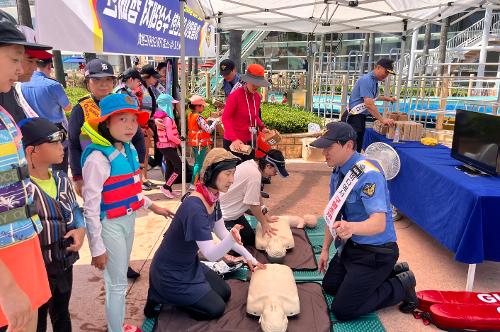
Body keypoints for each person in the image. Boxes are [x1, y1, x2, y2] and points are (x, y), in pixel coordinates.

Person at [81, 93, 174, 332]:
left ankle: (118, 324)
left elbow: (130, 190)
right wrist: (96, 248)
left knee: (119, 278)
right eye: (122, 119)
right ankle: (115, 329)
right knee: (117, 284)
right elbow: (90, 208)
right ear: (106, 123)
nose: (130, 125)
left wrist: (154, 207)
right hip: (110, 225)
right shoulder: (97, 158)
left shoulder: (129, 150)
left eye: (133, 119)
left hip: (128, 220)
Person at [311, 122, 417, 321]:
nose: (324, 152)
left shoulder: (369, 175)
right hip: (352, 247)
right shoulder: (338, 170)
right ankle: (393, 272)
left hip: (376, 253)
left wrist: (350, 227)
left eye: (329, 147)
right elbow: (332, 213)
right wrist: (325, 249)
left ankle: (401, 284)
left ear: (349, 145)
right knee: (330, 286)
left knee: (343, 310)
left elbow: (379, 224)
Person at [145, 148, 266, 320]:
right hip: (169, 273)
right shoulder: (195, 206)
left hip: (189, 264)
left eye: (233, 174)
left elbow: (222, 231)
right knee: (215, 309)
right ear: (211, 173)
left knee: (224, 292)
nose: (232, 180)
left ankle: (181, 294)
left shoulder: (212, 197)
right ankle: (159, 295)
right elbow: (210, 254)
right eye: (227, 174)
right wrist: (232, 238)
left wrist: (250, 258)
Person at [0, 17, 52, 332]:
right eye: (14, 59)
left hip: (21, 243)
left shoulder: (4, 113)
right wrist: (5, 286)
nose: (21, 69)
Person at [19, 118, 86, 332]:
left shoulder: (61, 179)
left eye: (62, 142)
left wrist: (81, 229)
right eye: (55, 142)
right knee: (36, 322)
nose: (62, 148)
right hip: (34, 271)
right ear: (32, 151)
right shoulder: (19, 190)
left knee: (62, 314)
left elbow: (75, 209)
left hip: (63, 264)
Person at [68, 59, 146, 197]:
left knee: (121, 206)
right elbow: (73, 144)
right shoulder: (81, 109)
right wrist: (77, 176)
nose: (103, 84)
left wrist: (138, 166)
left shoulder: (122, 104)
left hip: (120, 169)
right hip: (94, 172)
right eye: (97, 80)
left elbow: (138, 137)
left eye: (108, 79)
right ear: (87, 82)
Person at [220, 149, 288, 245]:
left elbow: (256, 193)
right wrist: (264, 223)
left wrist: (265, 214)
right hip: (224, 216)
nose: (275, 174)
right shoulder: (254, 175)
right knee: (237, 248)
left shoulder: (252, 164)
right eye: (275, 171)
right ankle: (216, 233)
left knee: (250, 240)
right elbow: (253, 205)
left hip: (235, 214)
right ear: (268, 166)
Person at [21, 58, 72, 173]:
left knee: (36, 164)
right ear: (49, 66)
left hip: (32, 130)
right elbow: (68, 107)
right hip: (54, 130)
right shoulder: (53, 85)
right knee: (59, 164)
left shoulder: (22, 84)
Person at [342, 58, 397, 152]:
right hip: (354, 117)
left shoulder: (373, 81)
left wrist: (388, 99)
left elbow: (374, 97)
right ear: (378, 67)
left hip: (359, 118)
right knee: (350, 150)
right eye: (386, 72)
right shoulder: (367, 80)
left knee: (355, 148)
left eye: (388, 74)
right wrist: (382, 119)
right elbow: (369, 104)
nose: (386, 76)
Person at [115, 68, 157, 191]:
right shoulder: (122, 92)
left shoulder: (126, 91)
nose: (139, 84)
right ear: (131, 79)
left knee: (135, 155)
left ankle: (135, 182)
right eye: (138, 81)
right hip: (126, 132)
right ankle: (131, 184)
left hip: (132, 129)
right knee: (128, 157)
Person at [222, 64, 271, 161]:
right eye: (254, 83)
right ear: (247, 81)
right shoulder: (235, 96)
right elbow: (225, 118)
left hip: (250, 140)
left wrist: (262, 127)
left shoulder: (257, 97)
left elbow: (254, 115)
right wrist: (234, 139)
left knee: (249, 170)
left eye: (258, 83)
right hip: (234, 141)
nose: (256, 86)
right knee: (234, 172)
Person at [154, 93, 181, 199]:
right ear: (167, 104)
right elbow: (170, 135)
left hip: (165, 146)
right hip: (167, 146)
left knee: (170, 167)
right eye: (172, 104)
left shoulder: (161, 117)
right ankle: (166, 186)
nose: (173, 106)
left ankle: (169, 189)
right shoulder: (167, 119)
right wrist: (179, 141)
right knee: (178, 167)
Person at [188, 95, 219, 186]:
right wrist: (215, 122)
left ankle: (195, 182)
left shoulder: (192, 115)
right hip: (200, 143)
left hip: (195, 142)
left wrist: (208, 120)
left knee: (197, 163)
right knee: (198, 164)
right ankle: (193, 183)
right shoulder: (199, 117)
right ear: (197, 106)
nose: (203, 107)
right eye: (202, 106)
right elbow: (208, 130)